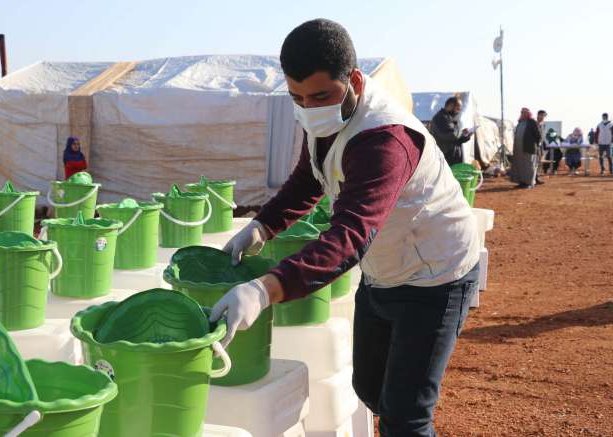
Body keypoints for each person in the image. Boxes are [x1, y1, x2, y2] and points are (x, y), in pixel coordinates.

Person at [209, 19, 480, 436]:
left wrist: (264, 289)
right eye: (296, 97)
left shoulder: (385, 140)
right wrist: (262, 225)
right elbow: (308, 177)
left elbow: (349, 235)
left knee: (406, 416)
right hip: (385, 269)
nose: (309, 107)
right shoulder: (321, 114)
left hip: (436, 277)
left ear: (354, 80)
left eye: (320, 96)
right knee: (369, 388)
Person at [429, 97, 473, 165]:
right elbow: (450, 135)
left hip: (452, 156)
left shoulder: (449, 118)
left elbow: (455, 139)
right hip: (446, 157)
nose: (458, 111)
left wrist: (466, 136)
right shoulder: (441, 118)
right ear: (451, 105)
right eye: (457, 109)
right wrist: (462, 132)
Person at [509, 108, 541, 188]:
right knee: (520, 166)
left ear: (528, 113)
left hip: (529, 148)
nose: (523, 114)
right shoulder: (520, 122)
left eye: (525, 112)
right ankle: (522, 182)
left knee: (529, 166)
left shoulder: (532, 122)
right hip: (519, 149)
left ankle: (529, 183)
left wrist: (536, 145)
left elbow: (538, 136)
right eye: (522, 112)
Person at [535, 110, 547, 184]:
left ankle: (537, 177)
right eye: (542, 115)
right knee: (535, 163)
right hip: (535, 146)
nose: (543, 117)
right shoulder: (535, 124)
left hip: (540, 146)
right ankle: (534, 178)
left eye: (544, 116)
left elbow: (542, 137)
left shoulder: (542, 125)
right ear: (538, 115)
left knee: (539, 162)